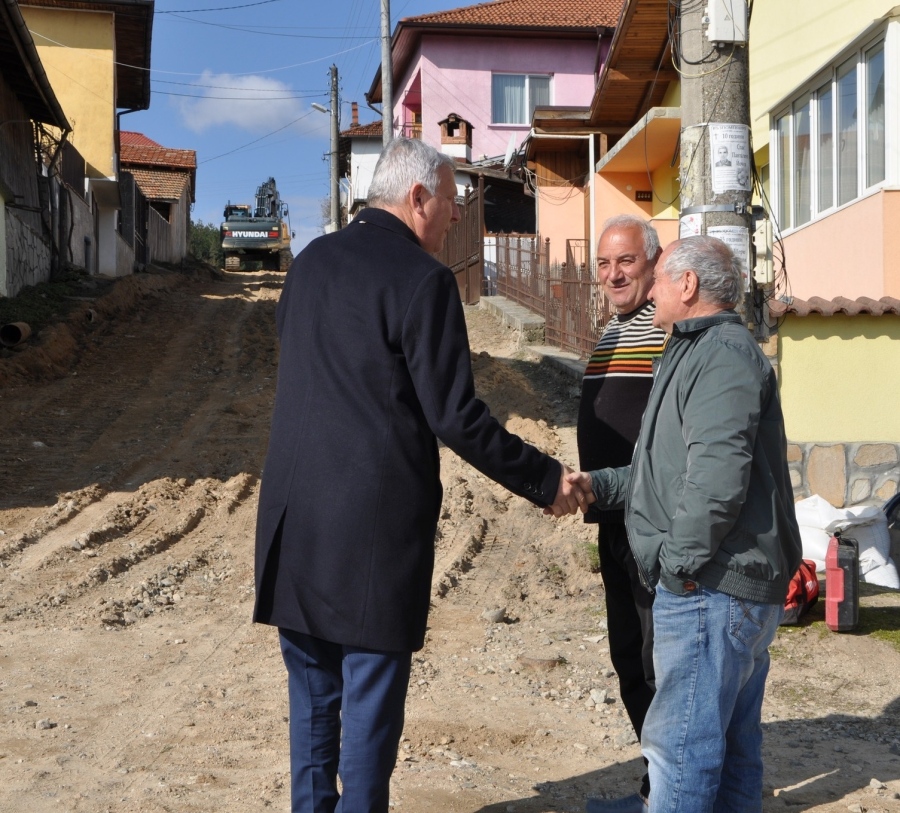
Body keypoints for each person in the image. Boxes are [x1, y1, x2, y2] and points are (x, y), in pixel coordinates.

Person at [253, 136, 593, 813]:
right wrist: (546, 478)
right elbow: (457, 416)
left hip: (293, 522)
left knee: (314, 714)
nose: (453, 219)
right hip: (371, 536)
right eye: (451, 204)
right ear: (416, 198)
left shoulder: (311, 262)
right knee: (368, 724)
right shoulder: (421, 280)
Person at [569, 236, 802, 813]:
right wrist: (598, 486)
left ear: (689, 286)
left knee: (682, 749)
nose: (650, 287)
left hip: (712, 585)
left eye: (660, 279)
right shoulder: (693, 350)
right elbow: (660, 469)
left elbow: (715, 484)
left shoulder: (721, 353)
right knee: (729, 744)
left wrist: (675, 568)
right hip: (717, 581)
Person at [577, 216, 668, 813]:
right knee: (627, 654)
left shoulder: (665, 332)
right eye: (605, 264)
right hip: (613, 522)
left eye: (626, 262)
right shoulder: (610, 331)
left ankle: (673, 788)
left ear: (653, 264)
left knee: (658, 659)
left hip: (651, 525)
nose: (613, 274)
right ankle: (657, 781)